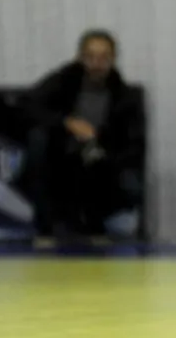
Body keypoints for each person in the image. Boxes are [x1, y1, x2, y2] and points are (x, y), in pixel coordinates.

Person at [22, 29, 147, 244]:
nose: (97, 64)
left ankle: (94, 225)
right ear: (80, 57)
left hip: (100, 159)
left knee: (109, 167)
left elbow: (133, 142)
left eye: (103, 57)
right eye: (90, 57)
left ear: (113, 59)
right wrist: (66, 123)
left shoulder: (124, 95)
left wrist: (102, 146)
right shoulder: (63, 81)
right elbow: (29, 105)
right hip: (59, 151)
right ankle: (46, 228)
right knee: (38, 143)